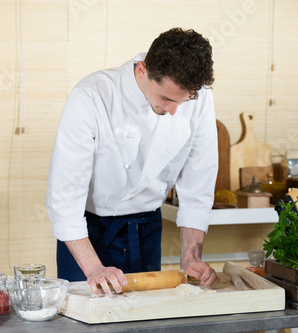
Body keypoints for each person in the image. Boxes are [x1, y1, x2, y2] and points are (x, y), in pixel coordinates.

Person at [46, 27, 219, 295]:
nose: (174, 111)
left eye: (183, 102)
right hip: (88, 234)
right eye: (166, 98)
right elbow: (65, 198)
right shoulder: (92, 96)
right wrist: (93, 268)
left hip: (148, 229)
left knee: (145, 318)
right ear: (142, 70)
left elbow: (198, 187)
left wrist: (191, 258)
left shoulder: (201, 97)